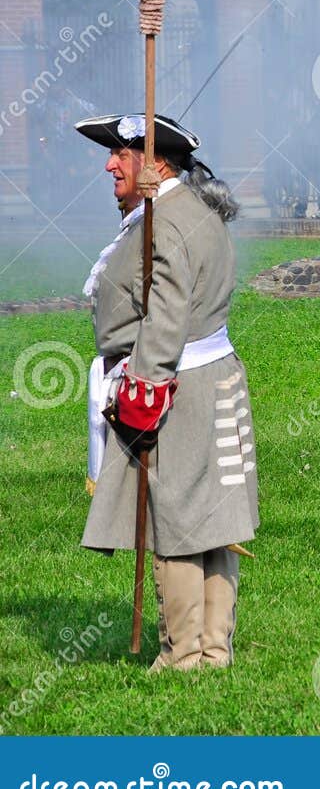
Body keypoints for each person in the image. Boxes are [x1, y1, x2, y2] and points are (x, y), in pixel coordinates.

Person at [76, 112, 257, 670]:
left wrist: (143, 388)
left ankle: (183, 656)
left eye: (121, 155)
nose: (110, 164)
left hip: (177, 383)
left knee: (176, 520)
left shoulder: (167, 222)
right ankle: (210, 652)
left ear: (154, 163)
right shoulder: (181, 211)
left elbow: (166, 315)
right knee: (212, 518)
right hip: (210, 377)